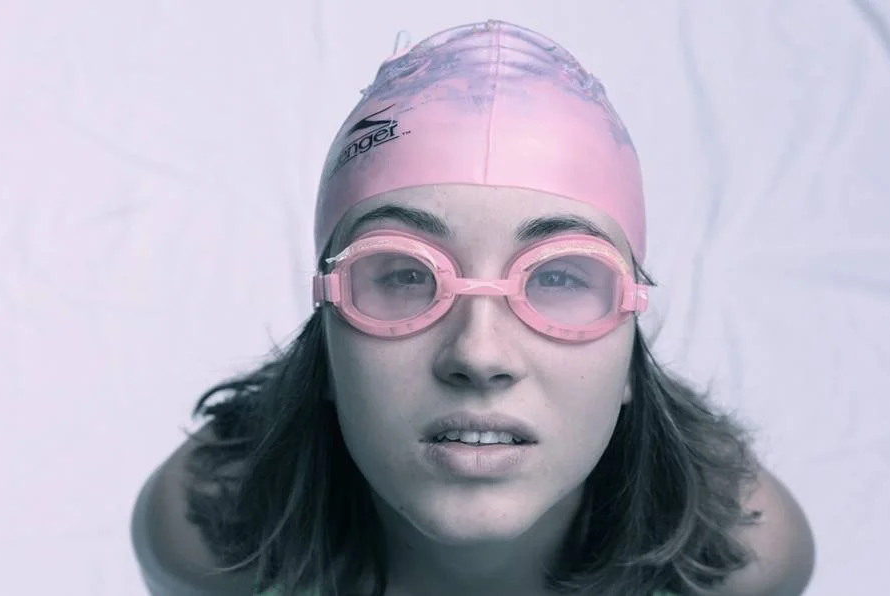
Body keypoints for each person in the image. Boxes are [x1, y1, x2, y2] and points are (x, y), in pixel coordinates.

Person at [131, 19, 815, 596]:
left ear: (633, 356)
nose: (480, 354)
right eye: (404, 274)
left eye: (556, 278)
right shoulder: (209, 533)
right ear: (327, 338)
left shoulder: (740, 560)